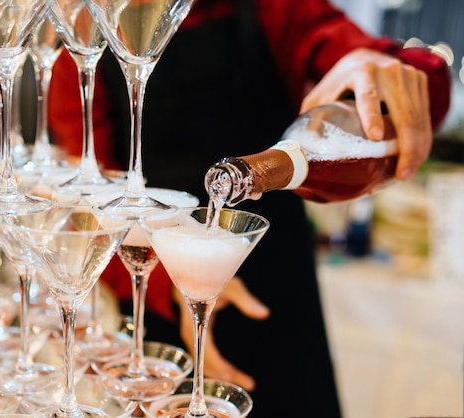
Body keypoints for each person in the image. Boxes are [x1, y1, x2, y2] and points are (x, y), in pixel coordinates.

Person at [47, 0, 451, 416]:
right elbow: (92, 206)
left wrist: (380, 69)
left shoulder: (273, 7)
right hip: (158, 298)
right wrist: (175, 282)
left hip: (277, 294)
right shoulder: (86, 29)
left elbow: (422, 79)